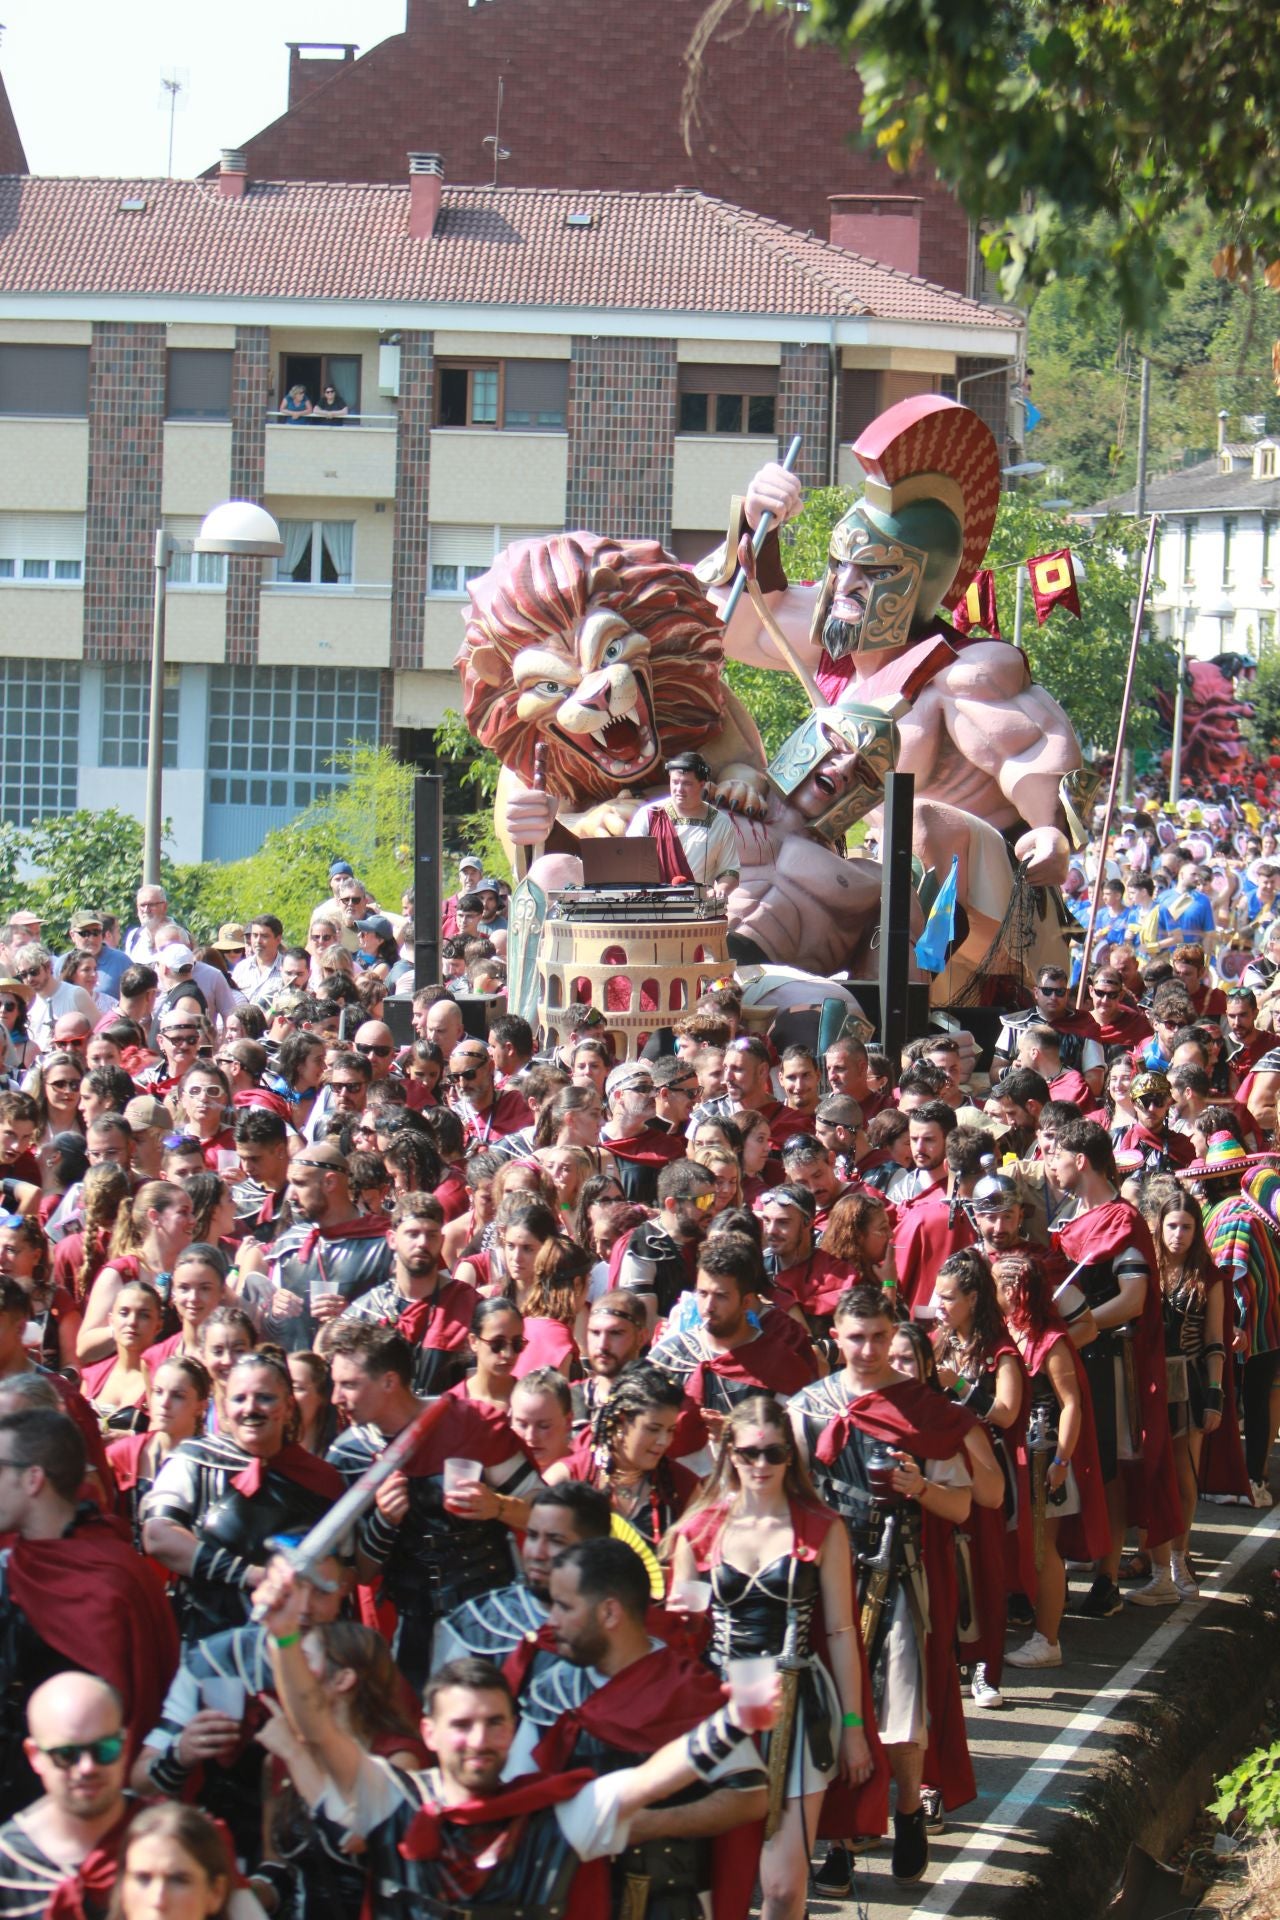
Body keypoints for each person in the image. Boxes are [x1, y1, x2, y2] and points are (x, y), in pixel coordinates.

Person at [256, 1549, 776, 1920]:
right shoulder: (392, 1803)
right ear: (429, 1733)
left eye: (493, 1724)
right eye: (461, 1726)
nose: (478, 1740)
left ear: (512, 1733)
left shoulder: (558, 1818)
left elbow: (657, 1775)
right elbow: (316, 1729)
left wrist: (733, 1722)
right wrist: (282, 1634)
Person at [790, 1285, 1002, 1887]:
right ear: (837, 1338)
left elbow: (967, 1505)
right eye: (856, 1337)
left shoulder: (921, 1411)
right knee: (833, 1713)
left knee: (902, 1713)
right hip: (826, 1579)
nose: (868, 1348)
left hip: (899, 1574)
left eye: (880, 1337)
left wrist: (919, 1489)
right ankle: (842, 1839)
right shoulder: (807, 1408)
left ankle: (907, 1807)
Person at [669, 1396, 887, 1919]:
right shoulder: (698, 1530)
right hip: (718, 1708)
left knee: (785, 1889)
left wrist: (854, 1726)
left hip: (800, 1707)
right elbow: (681, 1635)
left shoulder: (821, 1526)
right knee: (716, 1882)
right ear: (729, 1454)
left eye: (774, 1453)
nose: (761, 1465)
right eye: (749, 1453)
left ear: (792, 1457)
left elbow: (840, 1634)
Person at [323, 1323, 543, 1691]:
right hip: (410, 1627)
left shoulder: (470, 1423)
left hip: (492, 1614)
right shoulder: (349, 1454)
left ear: (389, 1382)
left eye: (348, 1384)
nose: (335, 1398)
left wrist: (497, 1506)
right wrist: (383, 1522)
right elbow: (358, 1573)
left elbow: (542, 1511)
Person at [0, 1413, 179, 1817]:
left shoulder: (107, 1579)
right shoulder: (21, 1563)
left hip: (84, 1799)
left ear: (33, 1479)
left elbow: (128, 1714)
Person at [1049, 1119, 1183, 1617]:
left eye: (1056, 1154)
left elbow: (1133, 1298)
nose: (1051, 1164)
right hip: (1073, 1358)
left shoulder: (1120, 1221)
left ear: (1080, 1159)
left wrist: (1073, 1329)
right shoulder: (1072, 1214)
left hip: (1111, 1361)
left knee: (1110, 1467)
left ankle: (1106, 1578)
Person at [141, 1351, 344, 1643]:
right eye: (239, 1399)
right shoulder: (194, 1460)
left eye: (265, 1398)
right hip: (205, 1639)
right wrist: (249, 1575)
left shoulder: (323, 1479)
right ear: (224, 1406)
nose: (251, 1409)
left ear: (288, 1406)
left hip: (296, 1644)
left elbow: (345, 1574)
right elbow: (158, 1536)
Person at [993, 1252, 1110, 1667]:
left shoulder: (1051, 1340)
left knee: (1044, 1549)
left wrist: (1061, 1461)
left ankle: (1048, 1640)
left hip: (1045, 1456)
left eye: (995, 1287)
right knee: (1024, 1544)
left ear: (1011, 1291)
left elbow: (1071, 1404)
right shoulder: (1004, 1333)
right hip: (1014, 1455)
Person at [930, 1249, 1031, 1707]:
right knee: (947, 1565)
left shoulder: (1000, 1350)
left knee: (987, 1568)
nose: (939, 1304)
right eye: (937, 1295)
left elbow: (1007, 1414)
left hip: (987, 1470)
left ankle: (986, 1669)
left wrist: (958, 1387)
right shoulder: (938, 1341)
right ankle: (951, 1658)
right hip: (944, 1469)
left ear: (973, 1299)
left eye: (948, 1297)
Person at [432, 1480, 613, 1673]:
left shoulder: (621, 1623)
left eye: (556, 1541)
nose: (537, 1553)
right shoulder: (475, 1625)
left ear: (592, 1548)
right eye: (532, 1536)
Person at [648, 1236, 818, 1422]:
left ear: (746, 1302)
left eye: (721, 1296)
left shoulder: (778, 1363)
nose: (708, 1307)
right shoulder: (670, 1355)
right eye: (702, 1294)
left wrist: (733, 1434)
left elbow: (796, 1435)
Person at [245, 1145, 393, 1352]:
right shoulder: (290, 1245)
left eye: (300, 1184)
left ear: (330, 1182)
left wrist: (352, 1316)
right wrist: (274, 1312)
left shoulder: (384, 1245)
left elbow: (404, 1321)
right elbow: (270, 1333)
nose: (291, 1196)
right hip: (298, 1376)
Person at [337, 1191, 476, 1394]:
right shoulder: (366, 1312)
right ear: (392, 1239)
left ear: (442, 1240)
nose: (422, 1243)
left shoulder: (468, 1306)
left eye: (431, 1235)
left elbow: (480, 1388)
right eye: (412, 1234)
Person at [549, 1363, 696, 1545]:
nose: (663, 1441)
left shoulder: (683, 1487)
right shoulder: (567, 1477)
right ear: (621, 1421)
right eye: (653, 1429)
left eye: (670, 1430)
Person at [107, 1357, 211, 1549]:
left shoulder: (214, 1463)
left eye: (178, 1395)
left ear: (201, 1406)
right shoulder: (122, 1454)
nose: (165, 1403)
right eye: (158, 1392)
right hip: (132, 1569)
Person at [625, 751, 742, 894]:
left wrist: (721, 890)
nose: (679, 789)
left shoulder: (720, 823)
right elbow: (629, 858)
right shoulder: (650, 815)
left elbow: (730, 871)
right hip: (651, 907)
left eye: (687, 784)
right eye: (675, 782)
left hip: (698, 908)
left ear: (702, 784)